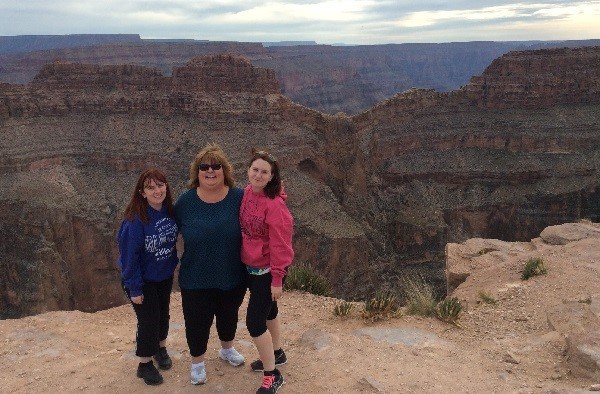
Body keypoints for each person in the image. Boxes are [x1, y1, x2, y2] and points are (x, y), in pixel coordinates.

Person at [174, 143, 248, 385]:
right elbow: (167, 230)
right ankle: (197, 363)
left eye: (216, 166)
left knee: (229, 315)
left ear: (224, 170)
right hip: (195, 276)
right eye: (204, 166)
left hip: (232, 272)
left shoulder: (239, 197)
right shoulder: (186, 201)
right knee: (197, 320)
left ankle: (226, 349)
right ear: (197, 171)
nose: (210, 170)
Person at [117, 168, 179, 386]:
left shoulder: (170, 211)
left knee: (163, 315)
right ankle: (144, 365)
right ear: (142, 192)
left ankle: (160, 349)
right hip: (141, 280)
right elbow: (128, 257)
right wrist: (135, 288)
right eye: (150, 187)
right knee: (148, 320)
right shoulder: (135, 220)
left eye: (160, 185)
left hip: (163, 275)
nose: (157, 191)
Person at [240, 148, 294, 394]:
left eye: (264, 172)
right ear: (248, 171)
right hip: (251, 267)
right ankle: (277, 352)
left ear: (272, 176)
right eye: (255, 170)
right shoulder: (248, 193)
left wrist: (277, 278)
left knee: (254, 322)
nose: (259, 175)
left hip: (267, 272)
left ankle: (273, 375)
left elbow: (281, 244)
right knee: (270, 310)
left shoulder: (275, 206)